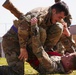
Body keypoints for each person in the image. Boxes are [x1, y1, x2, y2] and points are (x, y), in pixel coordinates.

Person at [0, 1, 75, 75]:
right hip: (13, 40)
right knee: (16, 72)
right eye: (59, 17)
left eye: (62, 18)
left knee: (59, 27)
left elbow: (73, 53)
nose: (60, 20)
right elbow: (22, 29)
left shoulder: (54, 18)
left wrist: (67, 34)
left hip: (32, 43)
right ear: (54, 11)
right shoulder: (38, 15)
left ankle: (43, 49)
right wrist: (23, 48)